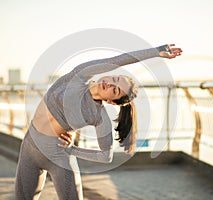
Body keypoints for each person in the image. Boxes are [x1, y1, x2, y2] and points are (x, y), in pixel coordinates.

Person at [15, 44, 182, 200]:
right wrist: (156, 51)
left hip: (58, 157)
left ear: (111, 102)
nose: (109, 84)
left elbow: (106, 156)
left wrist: (72, 150)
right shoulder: (79, 75)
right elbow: (117, 60)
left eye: (114, 90)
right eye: (115, 79)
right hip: (29, 147)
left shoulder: (99, 116)